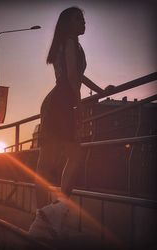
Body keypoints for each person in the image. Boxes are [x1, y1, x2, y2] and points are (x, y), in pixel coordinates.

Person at [29, 6, 107, 239]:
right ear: (68, 23)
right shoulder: (71, 42)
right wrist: (78, 108)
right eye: (79, 18)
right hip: (63, 104)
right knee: (69, 156)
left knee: (50, 163)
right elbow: (73, 78)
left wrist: (100, 90)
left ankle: (46, 217)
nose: (84, 22)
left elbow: (77, 75)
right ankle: (50, 216)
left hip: (56, 103)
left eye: (84, 18)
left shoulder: (67, 43)